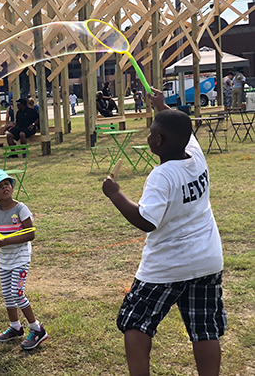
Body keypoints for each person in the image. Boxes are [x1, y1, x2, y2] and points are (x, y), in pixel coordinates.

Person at [102, 87, 226, 376]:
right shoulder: (194, 153)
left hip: (168, 265)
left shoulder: (162, 176)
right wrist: (161, 105)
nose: (148, 136)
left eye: (151, 132)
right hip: (207, 259)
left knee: (136, 322)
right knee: (205, 328)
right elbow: (179, 128)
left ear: (157, 141)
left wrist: (115, 194)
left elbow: (147, 220)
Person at [0, 167, 48, 350]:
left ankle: (37, 328)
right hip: (5, 259)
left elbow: (30, 234)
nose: (5, 187)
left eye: (7, 183)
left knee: (17, 293)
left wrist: (5, 241)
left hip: (20, 258)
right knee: (8, 295)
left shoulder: (20, 208)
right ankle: (15, 328)